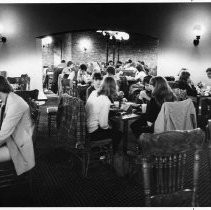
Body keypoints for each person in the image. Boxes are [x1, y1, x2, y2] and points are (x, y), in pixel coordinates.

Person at [0, 76, 35, 175]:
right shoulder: (7, 99)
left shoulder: (15, 104)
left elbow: (3, 135)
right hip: (12, 139)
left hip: (18, 146)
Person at [85, 77, 122, 153]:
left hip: (85, 127)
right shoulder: (105, 100)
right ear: (113, 88)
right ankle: (109, 154)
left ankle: (102, 150)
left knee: (113, 125)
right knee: (118, 134)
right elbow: (103, 125)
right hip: (93, 132)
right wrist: (109, 126)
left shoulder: (94, 92)